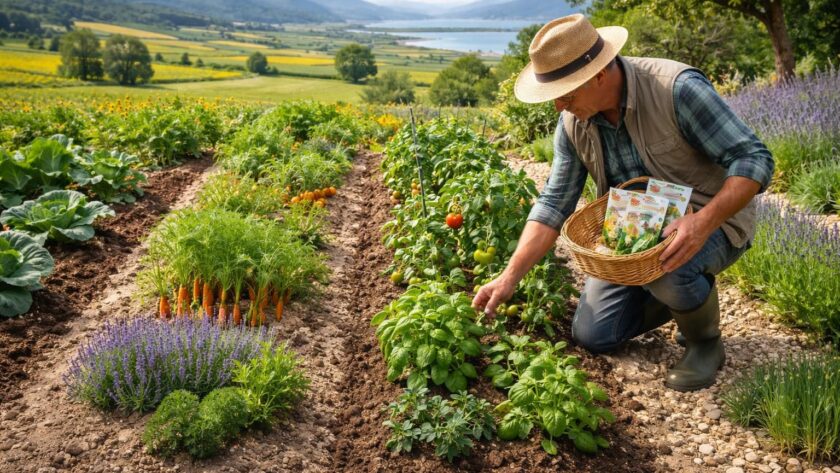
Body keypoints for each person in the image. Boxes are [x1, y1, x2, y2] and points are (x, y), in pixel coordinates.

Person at [471, 14, 774, 392]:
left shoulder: (675, 90)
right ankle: (679, 297)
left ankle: (704, 342)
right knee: (594, 335)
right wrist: (509, 276)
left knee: (668, 267)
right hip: (629, 236)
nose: (558, 107)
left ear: (598, 75)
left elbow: (754, 159)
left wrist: (704, 223)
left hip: (710, 221)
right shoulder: (572, 124)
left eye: (566, 93)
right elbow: (553, 202)